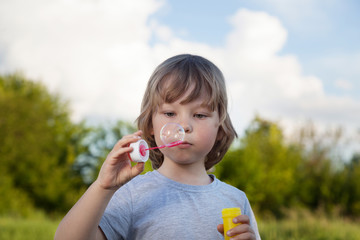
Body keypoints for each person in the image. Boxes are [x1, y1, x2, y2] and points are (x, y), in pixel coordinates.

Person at [55, 54, 261, 240]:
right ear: (151, 125)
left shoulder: (235, 200)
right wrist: (102, 187)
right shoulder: (132, 195)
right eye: (170, 114)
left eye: (199, 115)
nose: (184, 126)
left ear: (220, 127)